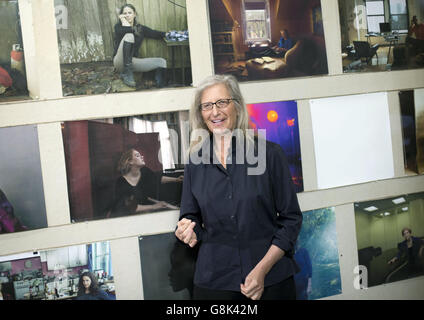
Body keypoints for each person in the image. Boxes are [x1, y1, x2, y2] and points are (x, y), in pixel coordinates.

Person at [175, 74, 302, 300]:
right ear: (201, 114)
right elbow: (190, 215)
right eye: (207, 106)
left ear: (237, 106)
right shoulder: (195, 163)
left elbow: (291, 220)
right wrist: (188, 230)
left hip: (272, 281)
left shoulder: (270, 155)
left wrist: (262, 270)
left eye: (222, 102)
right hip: (215, 284)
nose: (215, 112)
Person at [110, 148, 180, 217]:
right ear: (130, 161)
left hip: (145, 214)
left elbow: (157, 179)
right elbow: (131, 207)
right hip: (127, 218)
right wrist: (154, 206)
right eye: (137, 155)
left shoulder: (144, 171)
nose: (142, 157)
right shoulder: (121, 183)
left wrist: (176, 179)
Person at [113, 4, 168, 88]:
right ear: (122, 16)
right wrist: (123, 20)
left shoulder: (140, 28)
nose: (127, 15)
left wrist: (168, 34)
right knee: (129, 36)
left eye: (130, 13)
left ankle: (161, 88)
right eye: (125, 13)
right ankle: (127, 74)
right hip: (119, 61)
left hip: (132, 62)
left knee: (162, 62)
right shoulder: (118, 27)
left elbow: (154, 33)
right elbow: (129, 30)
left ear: (134, 14)